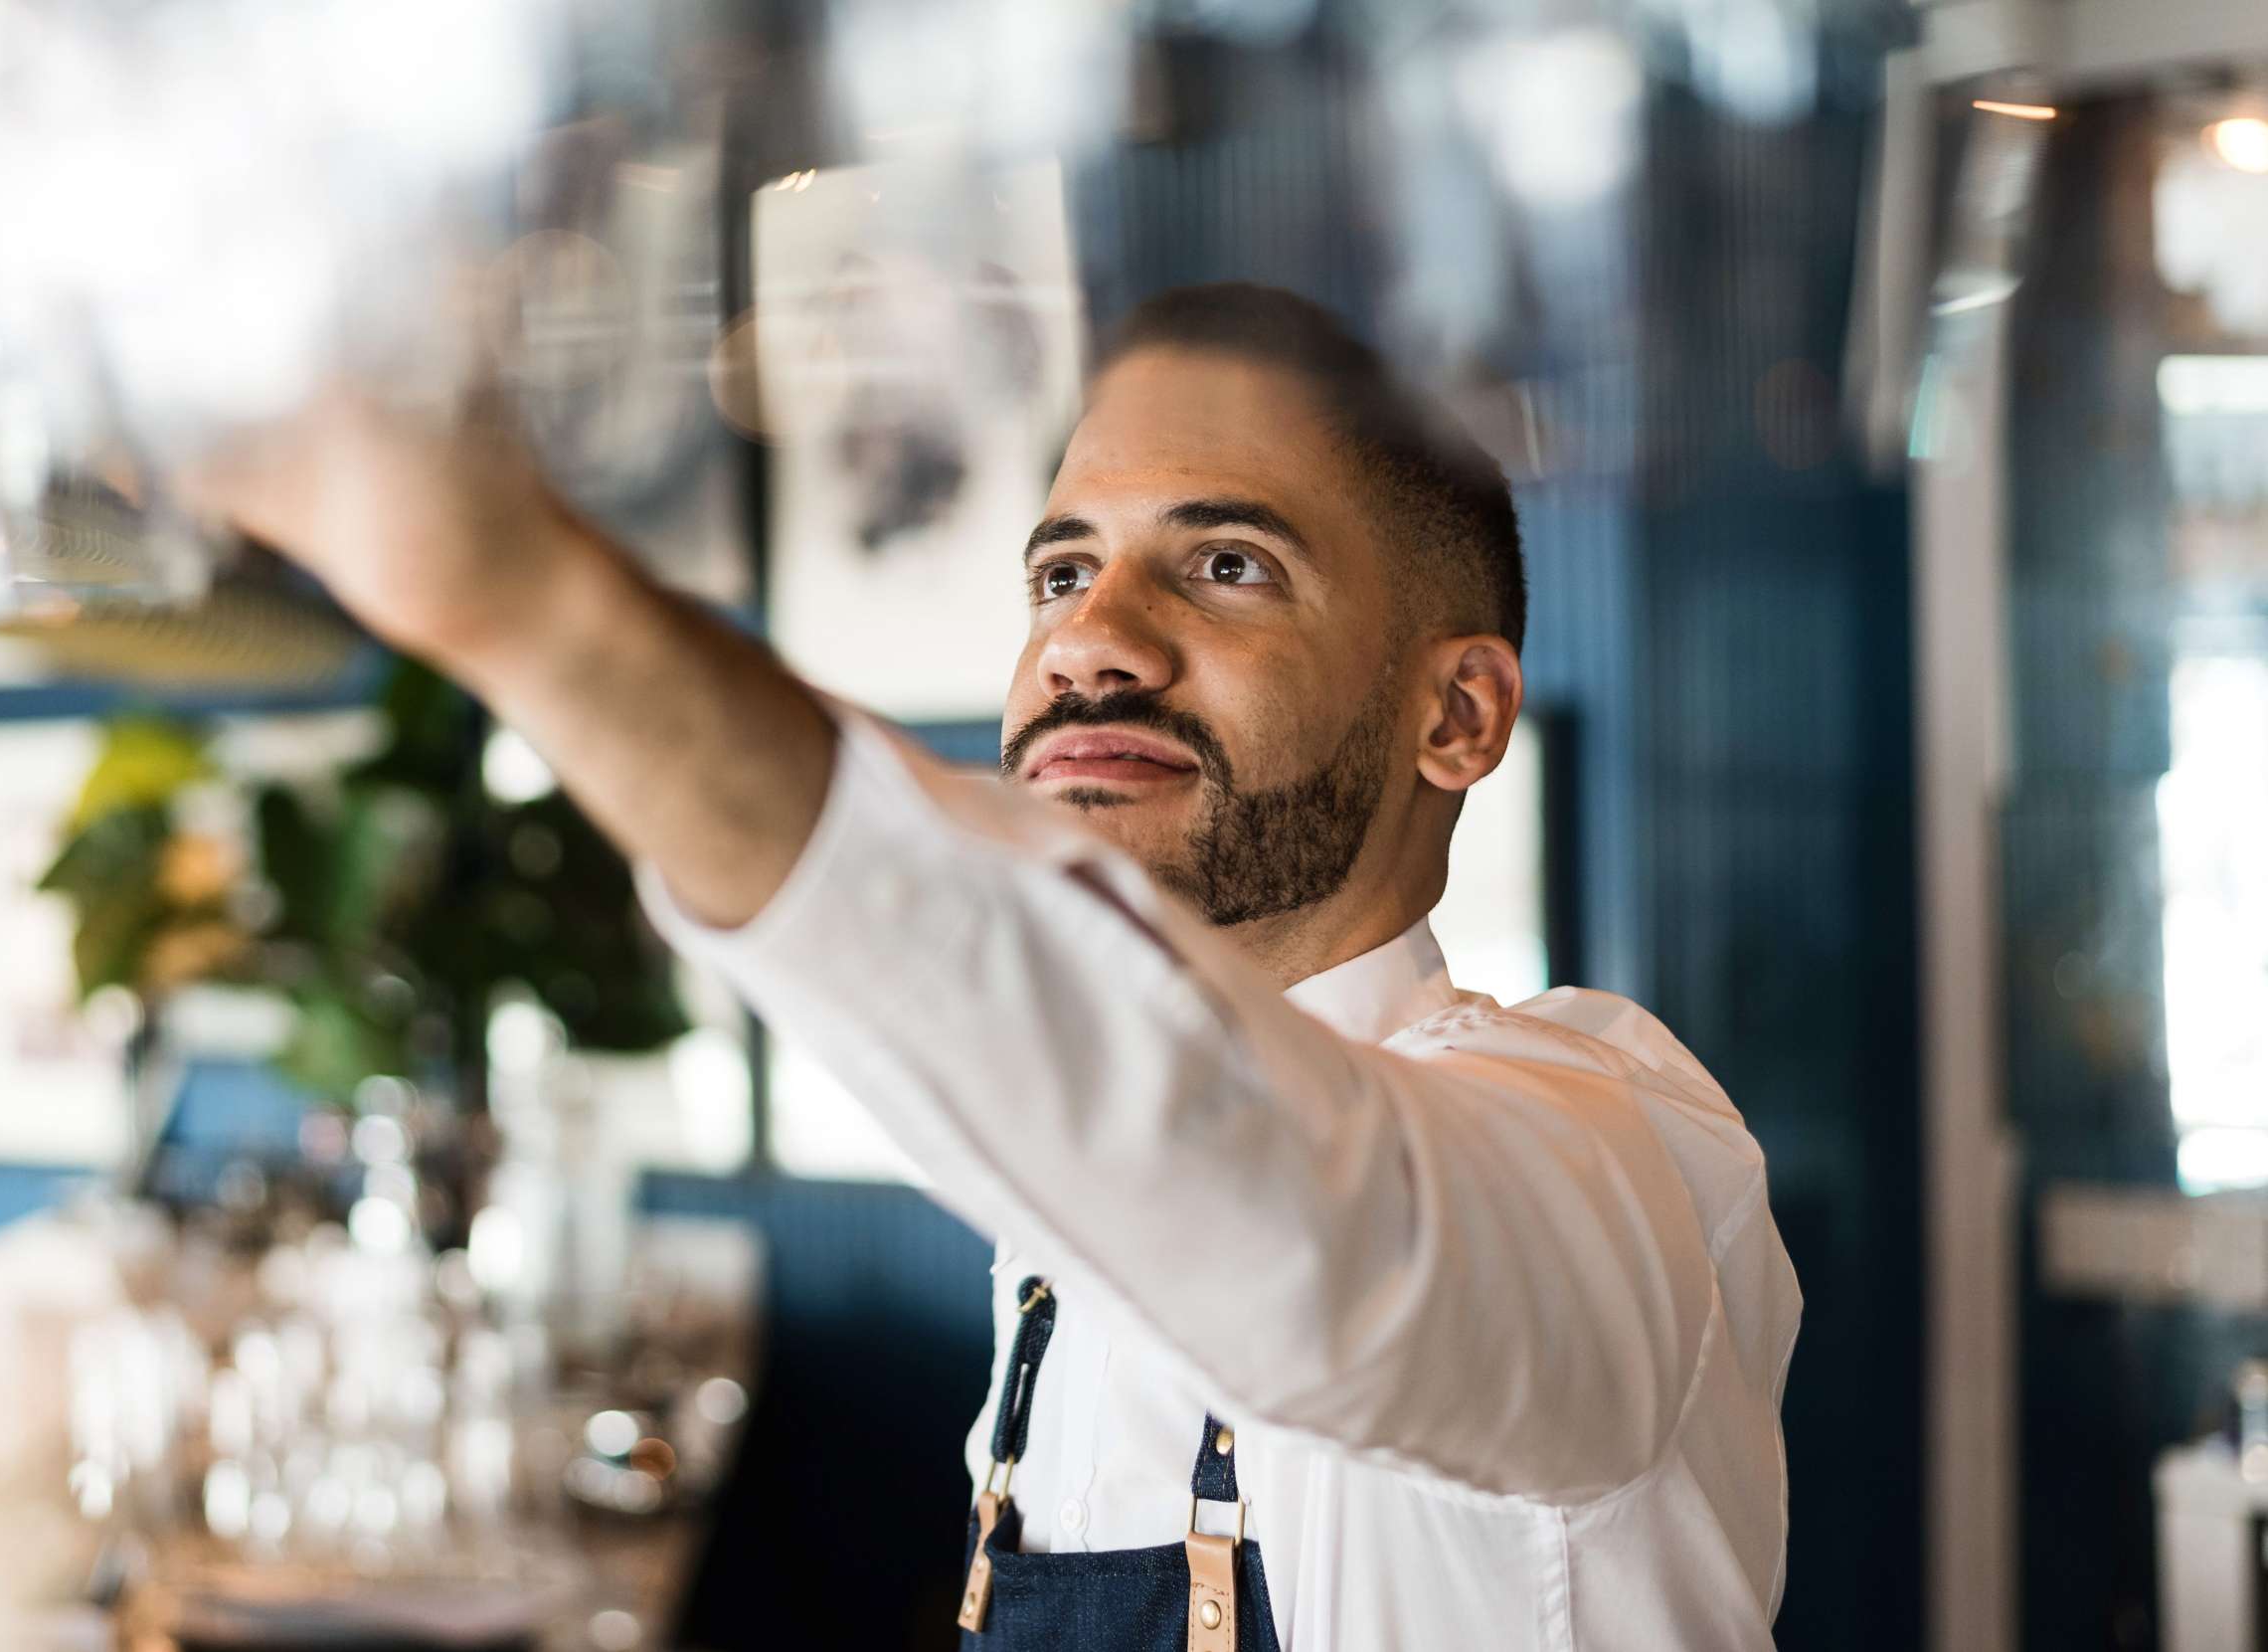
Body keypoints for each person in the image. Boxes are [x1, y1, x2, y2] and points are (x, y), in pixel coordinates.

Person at [187, 281, 1797, 1649]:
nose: (1089, 638)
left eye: (1226, 562)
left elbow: (1314, 1229)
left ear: (1457, 715)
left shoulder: (1619, 1159)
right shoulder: (1049, 1241)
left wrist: (523, 603)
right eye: (1059, 570)